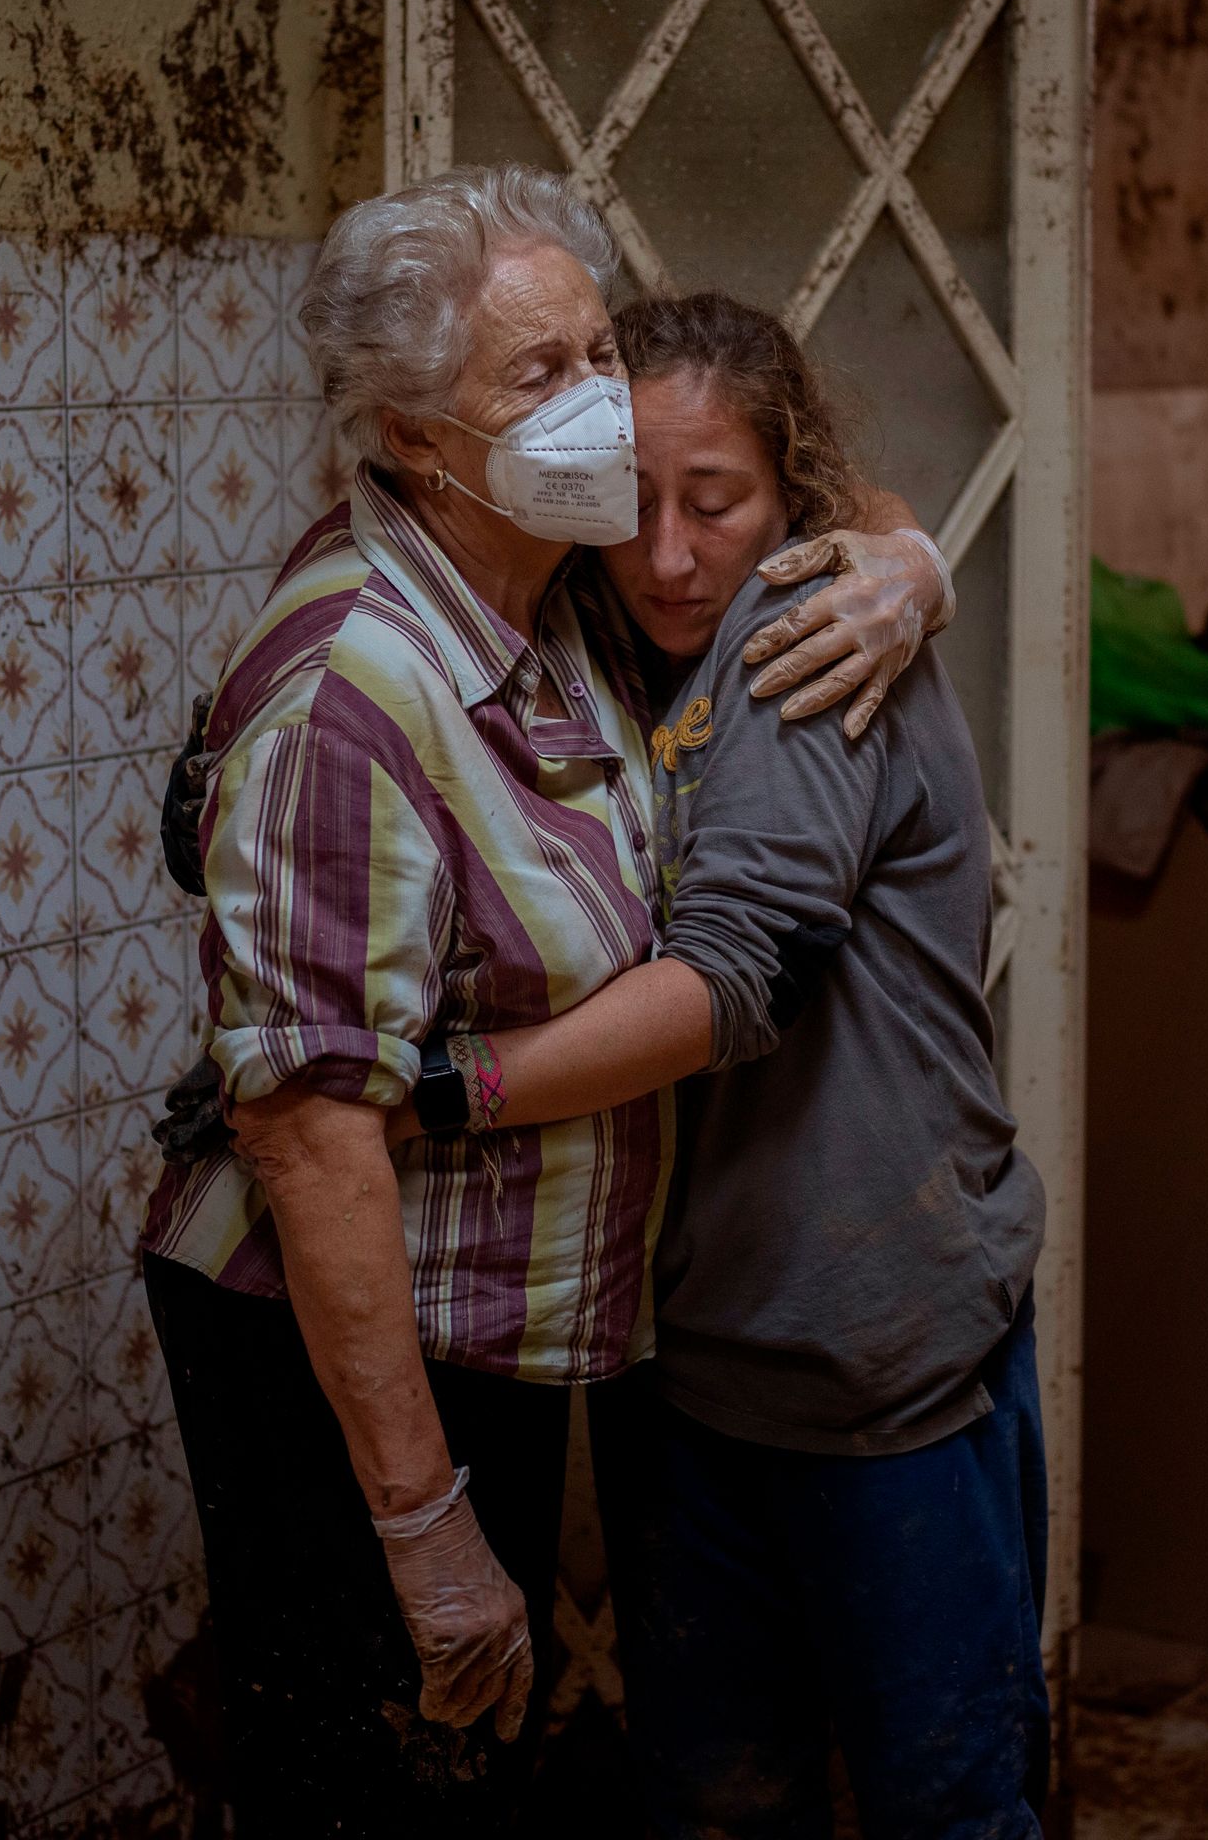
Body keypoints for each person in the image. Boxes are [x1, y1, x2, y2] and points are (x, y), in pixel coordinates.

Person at [136, 172, 955, 1836]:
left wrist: (907, 562)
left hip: (488, 1321)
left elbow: (772, 478)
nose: (594, 402)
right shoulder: (357, 690)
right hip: (345, 1346)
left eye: (596, 347)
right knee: (378, 1775)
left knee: (471, 1780)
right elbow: (306, 1135)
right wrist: (425, 1525)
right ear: (415, 430)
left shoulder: (557, 588)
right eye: (539, 374)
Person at [430, 289, 1049, 1840]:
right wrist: (916, 554)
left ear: (797, 501)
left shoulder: (797, 635)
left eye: (717, 504)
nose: (671, 556)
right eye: (628, 505)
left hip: (872, 1350)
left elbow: (737, 976)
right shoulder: (606, 639)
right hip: (699, 1358)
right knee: (728, 1799)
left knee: (944, 1805)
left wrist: (448, 1089)